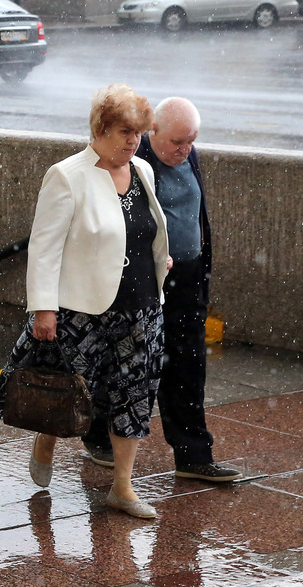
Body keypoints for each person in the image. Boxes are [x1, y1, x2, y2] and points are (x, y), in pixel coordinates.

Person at [0, 83, 170, 520]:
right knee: (69, 390)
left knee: (134, 394)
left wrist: (161, 259)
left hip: (141, 305)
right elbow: (44, 248)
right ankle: (47, 435)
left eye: (138, 133)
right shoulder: (66, 175)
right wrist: (43, 308)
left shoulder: (143, 170)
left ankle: (122, 487)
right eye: (124, 131)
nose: (132, 141)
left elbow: (145, 229)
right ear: (101, 128)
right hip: (82, 309)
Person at [82, 98, 241, 483]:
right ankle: (99, 434)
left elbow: (195, 213)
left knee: (187, 363)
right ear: (151, 132)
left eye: (191, 141)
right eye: (176, 142)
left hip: (188, 280)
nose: (184, 150)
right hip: (143, 280)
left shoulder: (189, 155)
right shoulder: (131, 162)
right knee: (131, 364)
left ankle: (193, 454)